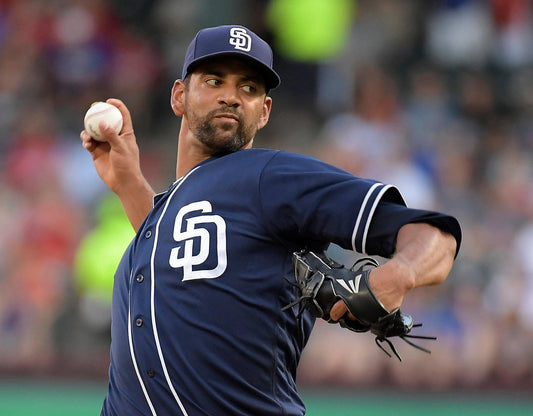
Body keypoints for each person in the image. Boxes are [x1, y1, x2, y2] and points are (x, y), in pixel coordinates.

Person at [80, 25, 461, 416]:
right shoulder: (166, 214)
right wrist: (129, 184)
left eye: (248, 88)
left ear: (263, 111)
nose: (230, 96)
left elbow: (435, 234)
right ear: (179, 96)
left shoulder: (269, 177)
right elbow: (175, 253)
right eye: (214, 81)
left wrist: (398, 276)